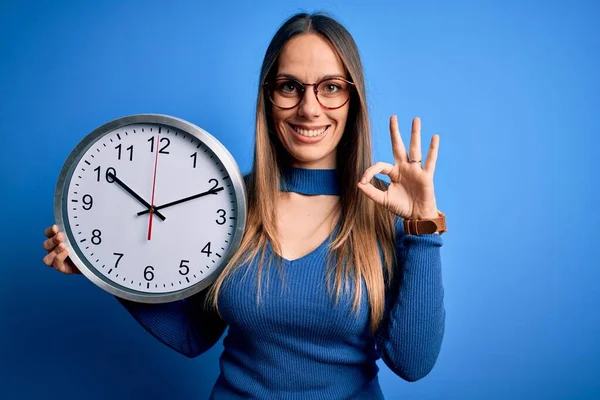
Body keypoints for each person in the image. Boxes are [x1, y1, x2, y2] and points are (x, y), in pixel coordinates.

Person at [42, 12, 446, 399]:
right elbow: (192, 336)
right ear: (268, 97)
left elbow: (412, 364)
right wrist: (103, 269)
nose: (309, 108)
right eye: (289, 86)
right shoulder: (226, 204)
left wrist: (422, 225)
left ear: (352, 100)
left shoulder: (387, 214)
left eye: (331, 87)